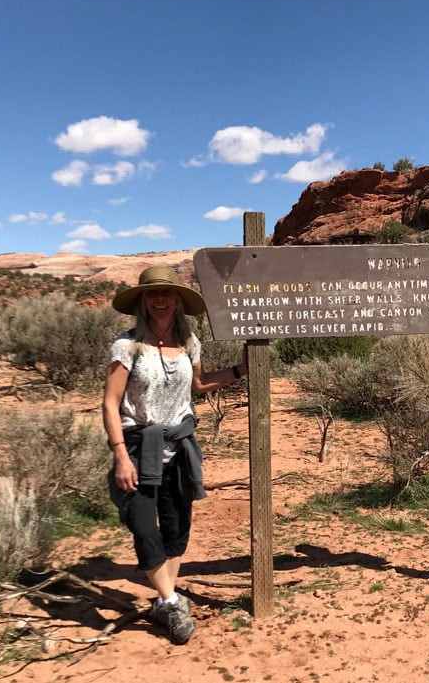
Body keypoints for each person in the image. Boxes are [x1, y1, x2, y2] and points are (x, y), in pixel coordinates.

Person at [102, 265, 247, 644]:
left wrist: (241, 368)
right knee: (144, 526)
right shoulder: (127, 345)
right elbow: (110, 402)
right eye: (153, 294)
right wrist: (120, 454)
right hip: (138, 446)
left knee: (178, 526)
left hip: (179, 447)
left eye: (167, 294)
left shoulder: (190, 343)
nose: (161, 300)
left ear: (178, 301)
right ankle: (170, 600)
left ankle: (164, 598)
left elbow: (199, 385)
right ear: (143, 301)